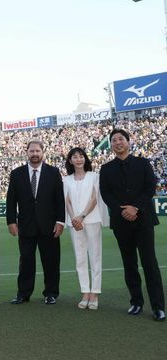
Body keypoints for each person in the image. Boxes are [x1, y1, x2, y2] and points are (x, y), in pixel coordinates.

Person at [99, 129, 165, 321]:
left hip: (143, 220)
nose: (117, 142)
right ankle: (136, 302)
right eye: (114, 140)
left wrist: (135, 207)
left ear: (128, 142)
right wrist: (122, 210)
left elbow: (150, 187)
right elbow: (106, 193)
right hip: (121, 222)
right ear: (111, 145)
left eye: (121, 139)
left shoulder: (143, 163)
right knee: (129, 264)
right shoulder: (106, 168)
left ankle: (158, 307)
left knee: (150, 263)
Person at [6, 140, 64, 305]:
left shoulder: (53, 172)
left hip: (49, 225)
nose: (35, 154)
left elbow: (59, 200)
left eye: (38, 151)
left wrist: (60, 221)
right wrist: (11, 221)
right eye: (32, 151)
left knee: (51, 261)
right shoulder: (17, 173)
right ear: (27, 152)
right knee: (26, 261)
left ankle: (51, 293)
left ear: (43, 152)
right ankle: (23, 293)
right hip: (26, 225)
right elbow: (11, 200)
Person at [63, 147, 108, 310]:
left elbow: (94, 198)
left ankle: (95, 293)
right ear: (70, 161)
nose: (78, 159)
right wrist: (74, 218)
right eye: (75, 157)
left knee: (95, 256)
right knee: (80, 258)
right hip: (74, 223)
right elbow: (67, 201)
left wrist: (81, 216)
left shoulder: (94, 176)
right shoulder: (66, 180)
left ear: (85, 159)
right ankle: (85, 292)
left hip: (92, 220)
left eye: (81, 156)